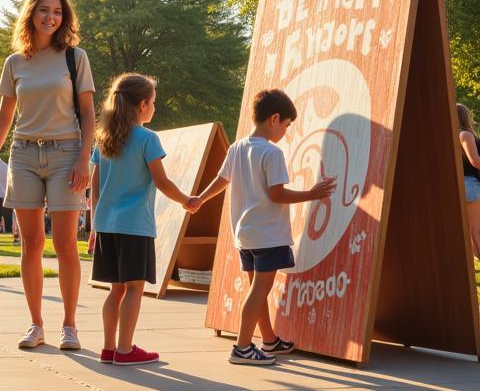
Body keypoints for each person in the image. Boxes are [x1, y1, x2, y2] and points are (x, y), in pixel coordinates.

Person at [0, 0, 95, 352]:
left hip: (66, 154)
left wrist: (83, 158)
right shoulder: (15, 63)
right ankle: (35, 324)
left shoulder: (75, 58)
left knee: (65, 244)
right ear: (32, 14)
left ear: (64, 18)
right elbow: (4, 116)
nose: (50, 17)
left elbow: (89, 113)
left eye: (57, 11)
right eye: (44, 9)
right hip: (24, 154)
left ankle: (70, 326)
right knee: (31, 244)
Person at [191, 88, 336, 366]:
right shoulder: (272, 152)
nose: (286, 131)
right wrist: (312, 194)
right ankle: (243, 347)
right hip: (268, 234)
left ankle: (269, 340)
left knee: (257, 290)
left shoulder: (237, 148)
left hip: (245, 234)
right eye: (287, 125)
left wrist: (200, 198)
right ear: (275, 118)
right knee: (259, 291)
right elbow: (277, 194)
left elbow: (223, 180)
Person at [89, 74, 198, 366]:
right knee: (135, 288)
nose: (154, 108)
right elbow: (161, 181)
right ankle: (126, 350)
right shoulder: (147, 138)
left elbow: (95, 188)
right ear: (141, 105)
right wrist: (186, 200)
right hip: (135, 225)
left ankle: (109, 348)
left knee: (116, 289)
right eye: (153, 103)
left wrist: (93, 225)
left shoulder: (104, 140)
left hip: (107, 225)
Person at [457, 103, 480, 259]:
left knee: (470, 232)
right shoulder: (465, 134)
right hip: (470, 184)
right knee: (475, 232)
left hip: (461, 184)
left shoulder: (452, 134)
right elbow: (475, 161)